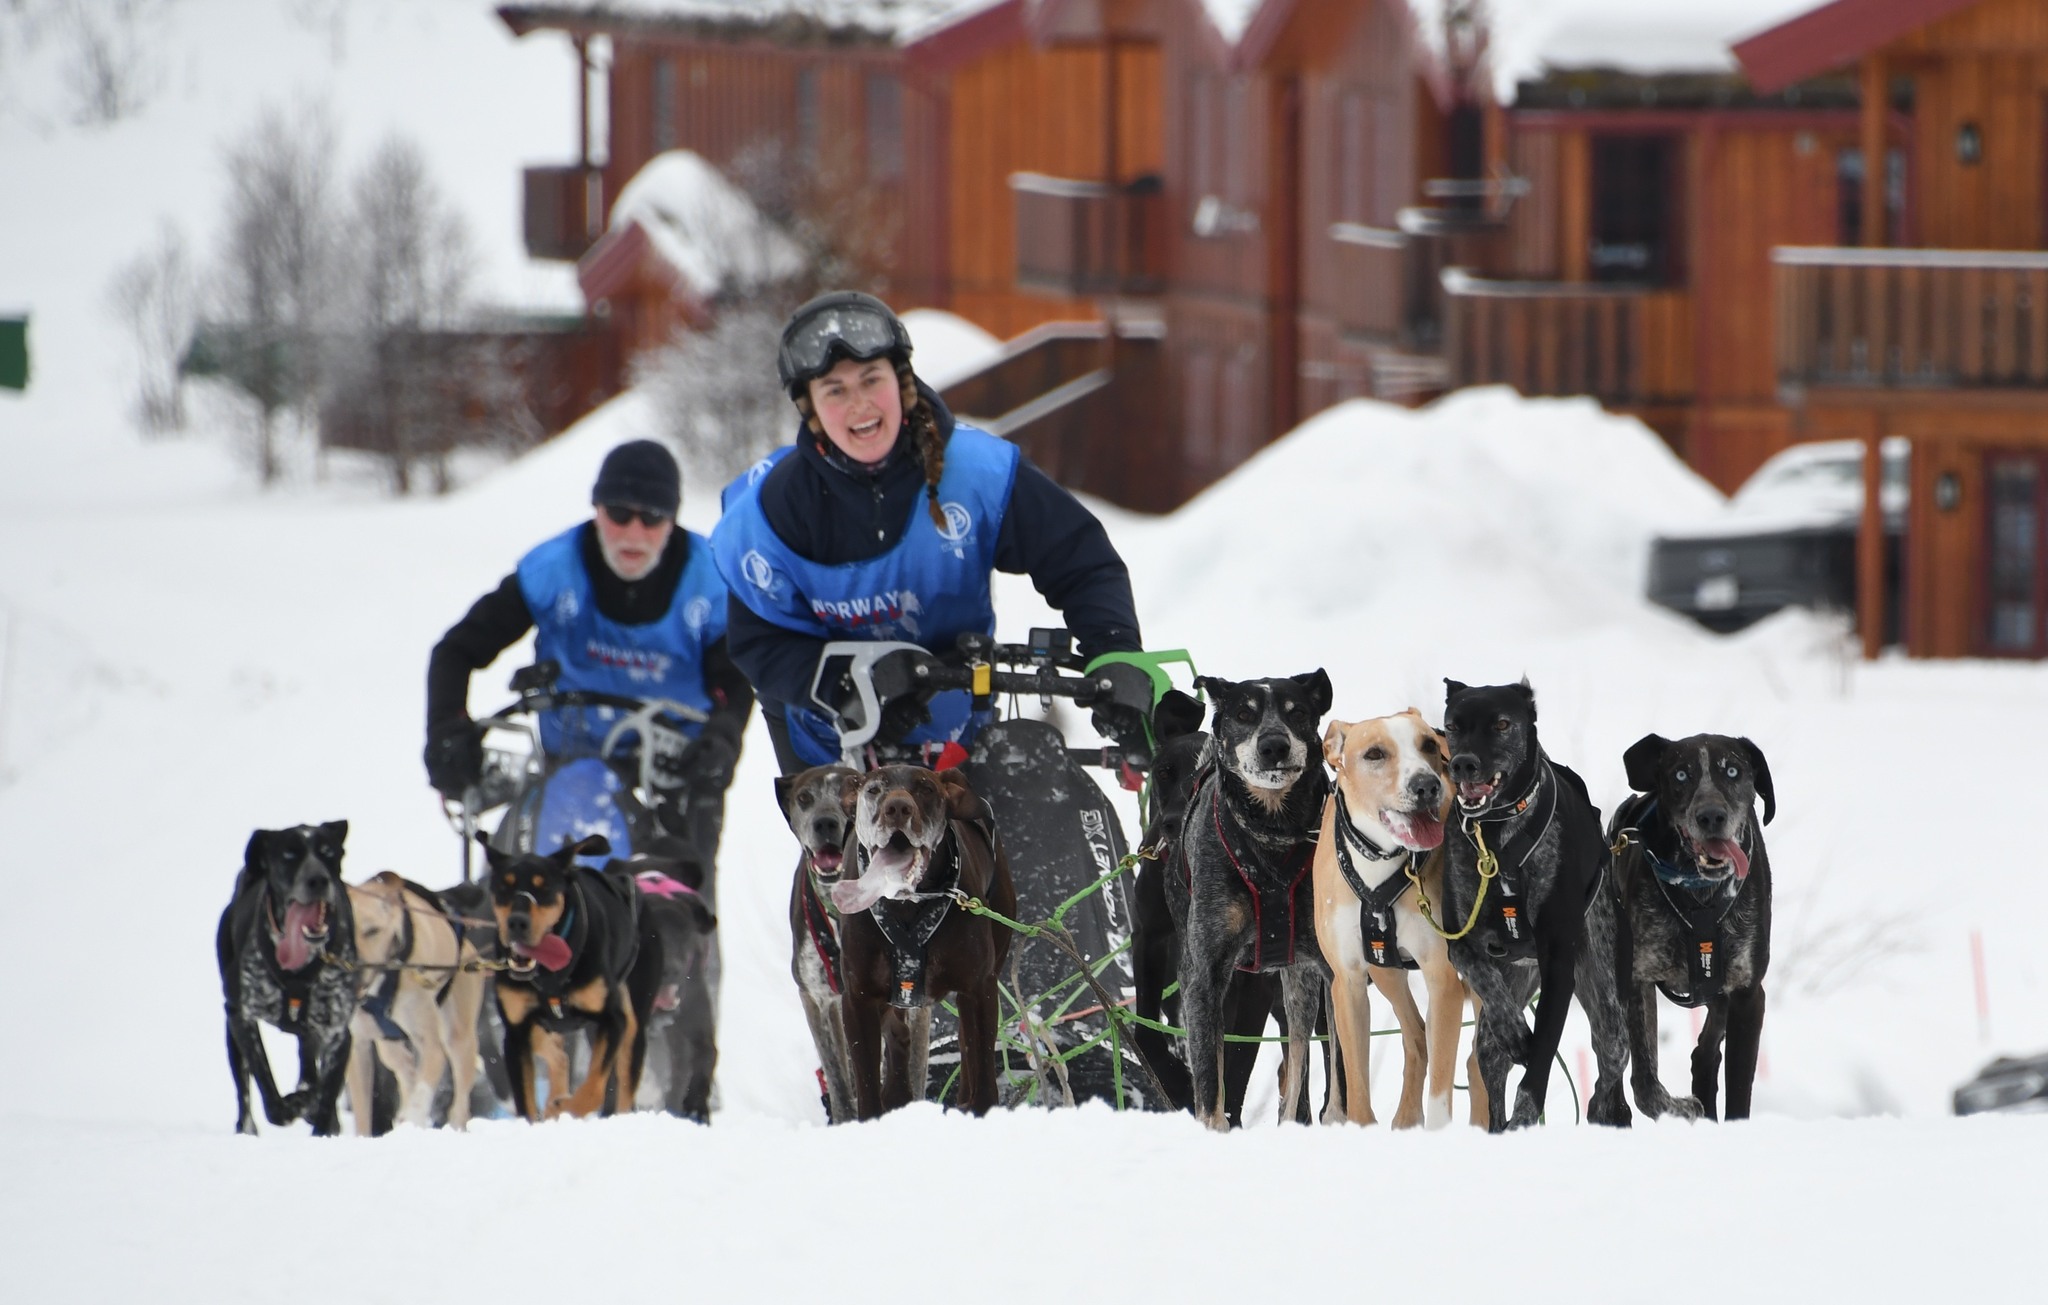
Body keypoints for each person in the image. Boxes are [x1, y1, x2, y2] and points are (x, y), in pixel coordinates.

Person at [711, 290, 1147, 774]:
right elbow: (758, 640)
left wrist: (1114, 652)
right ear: (810, 407)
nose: (859, 405)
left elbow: (1081, 560)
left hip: (959, 732)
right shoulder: (767, 514)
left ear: (901, 382)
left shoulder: (978, 475)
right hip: (828, 740)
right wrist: (852, 686)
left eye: (871, 380)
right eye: (835, 390)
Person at [425, 440, 753, 858]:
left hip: (676, 770)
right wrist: (446, 730)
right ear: (597, 509)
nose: (634, 533)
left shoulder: (710, 582)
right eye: (619, 513)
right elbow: (455, 651)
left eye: (651, 517)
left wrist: (724, 737)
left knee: (680, 910)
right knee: (532, 896)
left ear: (672, 520)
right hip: (571, 763)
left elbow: (737, 673)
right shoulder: (553, 571)